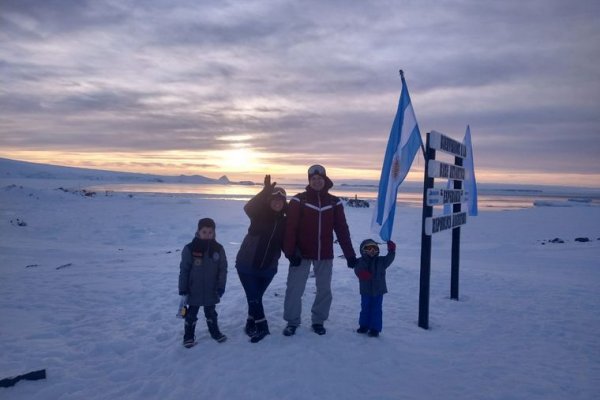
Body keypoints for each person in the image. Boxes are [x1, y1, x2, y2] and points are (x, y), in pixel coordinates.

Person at [282, 164, 357, 336]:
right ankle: (292, 322)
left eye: (320, 179)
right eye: (313, 179)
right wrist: (290, 252)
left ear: (325, 180)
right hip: (301, 254)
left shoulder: (334, 202)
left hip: (324, 254)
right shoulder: (299, 200)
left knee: (324, 289)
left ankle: (318, 321)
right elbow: (290, 228)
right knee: (294, 289)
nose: (316, 181)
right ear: (309, 181)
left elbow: (342, 230)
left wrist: (350, 255)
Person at [235, 175, 287, 343]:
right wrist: (264, 192)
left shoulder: (285, 222)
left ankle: (250, 322)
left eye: (281, 200)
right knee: (254, 297)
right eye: (274, 199)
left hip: (268, 268)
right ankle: (262, 326)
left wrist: (293, 256)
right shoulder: (258, 215)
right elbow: (248, 207)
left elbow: (288, 242)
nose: (277, 203)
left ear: (284, 203)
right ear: (269, 201)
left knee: (255, 297)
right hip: (246, 265)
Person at [178, 217, 228, 347]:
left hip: (212, 290)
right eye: (204, 232)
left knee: (211, 312)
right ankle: (188, 336)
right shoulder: (190, 248)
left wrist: (221, 286)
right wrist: (183, 288)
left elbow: (223, 269)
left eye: (210, 232)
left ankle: (215, 332)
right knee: (191, 314)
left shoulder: (218, 249)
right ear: (198, 231)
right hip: (194, 290)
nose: (207, 235)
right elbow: (184, 270)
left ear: (214, 233)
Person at [353, 239, 396, 337]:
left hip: (378, 291)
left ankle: (375, 328)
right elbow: (357, 269)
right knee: (365, 308)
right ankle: (364, 325)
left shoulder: (381, 261)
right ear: (363, 250)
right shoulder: (360, 261)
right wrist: (361, 273)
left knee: (376, 309)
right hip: (366, 291)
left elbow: (389, 258)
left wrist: (391, 251)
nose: (372, 251)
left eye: (375, 248)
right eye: (369, 248)